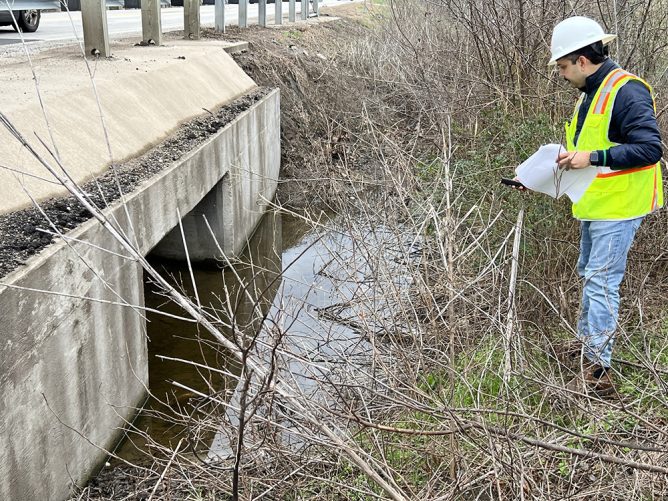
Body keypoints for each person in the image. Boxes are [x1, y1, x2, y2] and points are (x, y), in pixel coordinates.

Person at [549, 16, 663, 396]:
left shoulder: (626, 91)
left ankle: (598, 373)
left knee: (600, 284)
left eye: (563, 66)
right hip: (594, 204)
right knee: (591, 277)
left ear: (582, 60)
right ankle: (589, 348)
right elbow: (587, 151)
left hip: (619, 207)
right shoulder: (590, 94)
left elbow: (650, 150)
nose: (562, 74)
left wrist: (592, 157)